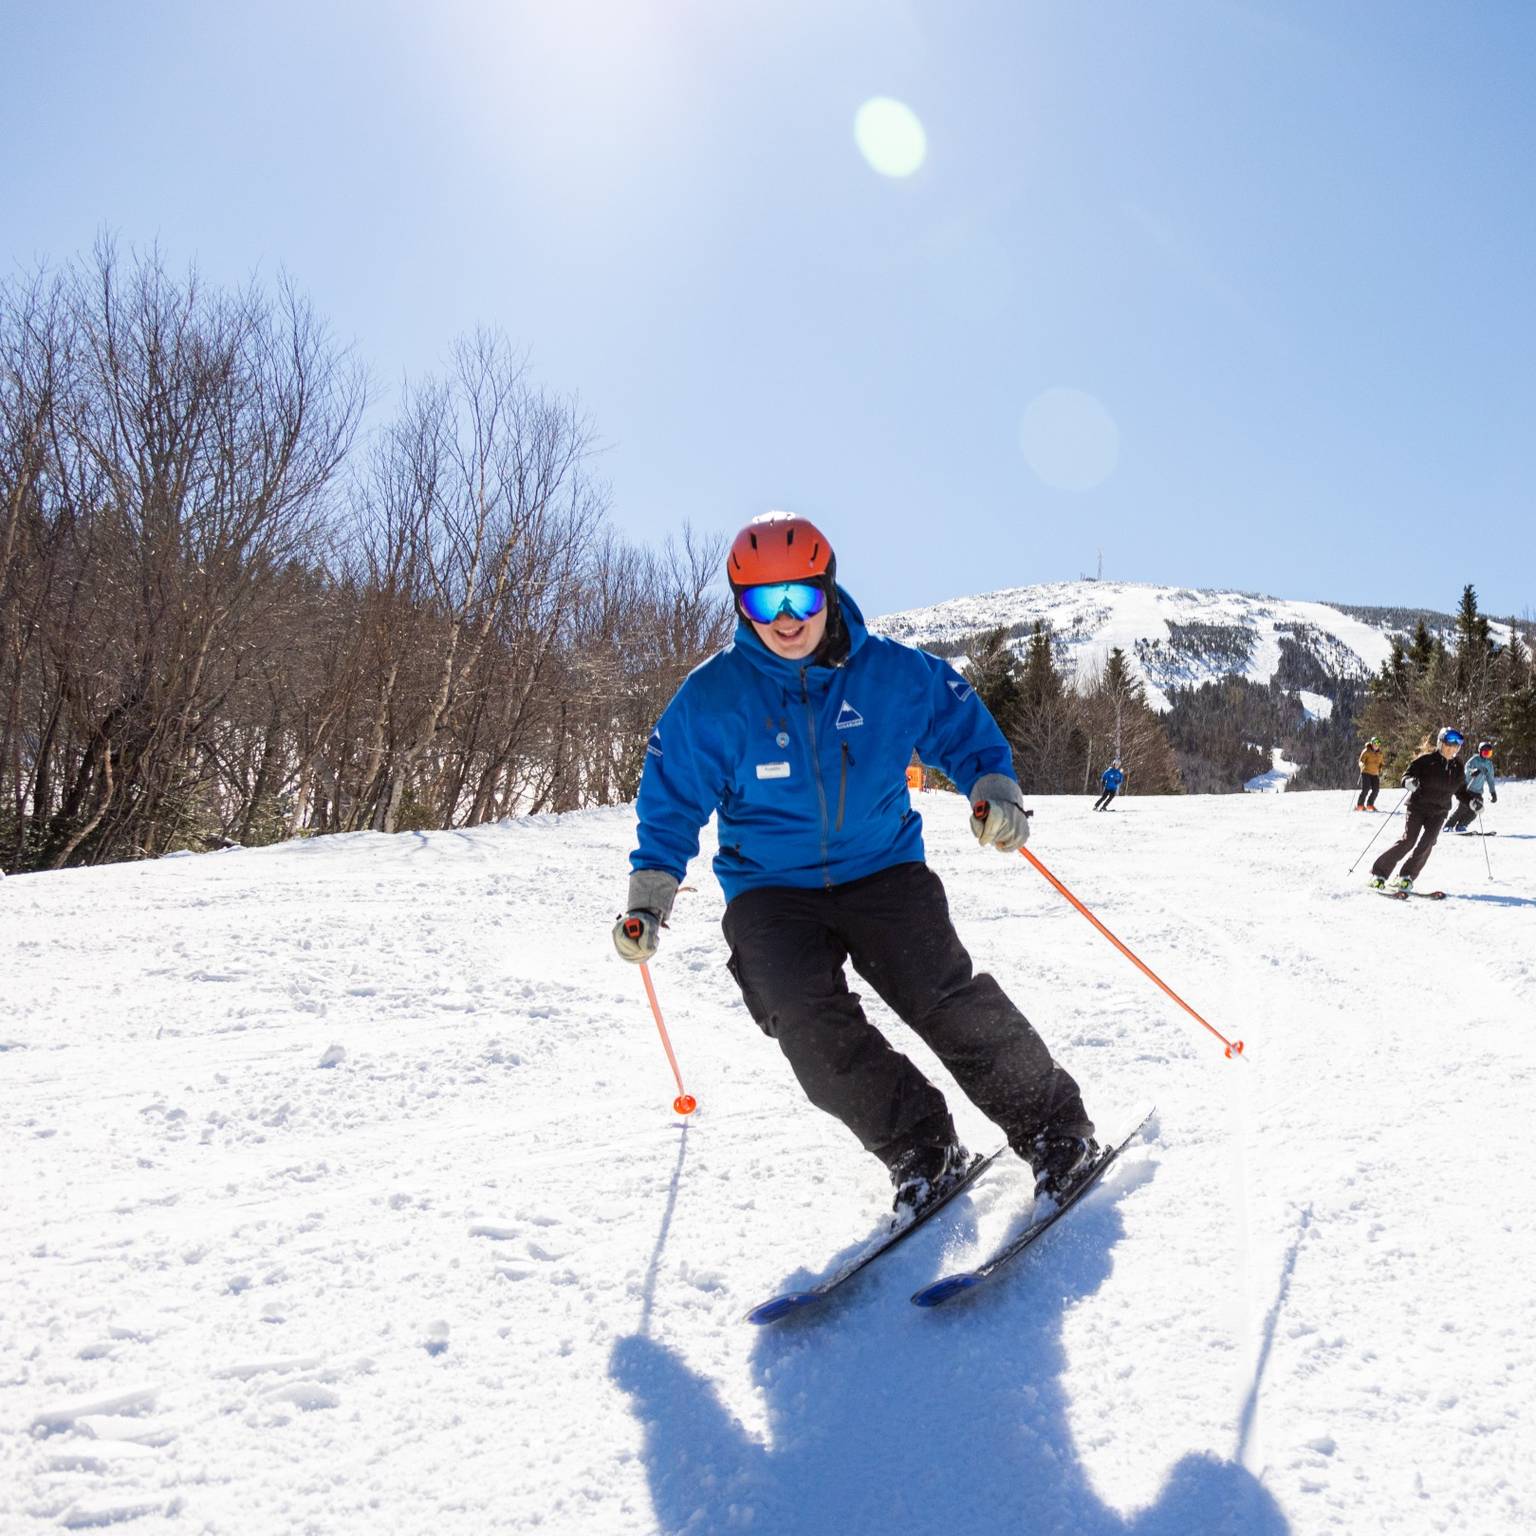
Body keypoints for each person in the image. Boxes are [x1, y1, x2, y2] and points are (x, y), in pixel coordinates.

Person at [612, 511, 1097, 1215]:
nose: (785, 619)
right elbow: (670, 805)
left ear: (828, 591)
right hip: (769, 890)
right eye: (763, 603)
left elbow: (963, 731)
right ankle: (920, 1147)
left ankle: (1057, 1133)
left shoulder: (891, 674)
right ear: (741, 607)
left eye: (800, 598)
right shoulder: (711, 701)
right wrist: (648, 901)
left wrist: (993, 791)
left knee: (942, 997)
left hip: (884, 869)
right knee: (801, 1021)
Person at [1368, 727, 1472, 892]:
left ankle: (1406, 876)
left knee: (1427, 843)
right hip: (1418, 807)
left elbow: (1461, 790)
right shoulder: (1426, 760)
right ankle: (1379, 873)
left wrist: (1472, 801)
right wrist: (1409, 782)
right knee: (1408, 841)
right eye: (1449, 743)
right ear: (1440, 743)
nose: (1452, 748)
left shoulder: (1457, 767)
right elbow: (1407, 775)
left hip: (1439, 812)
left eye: (1456, 745)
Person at [1445, 741, 1497, 833]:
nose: (1486, 755)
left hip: (1478, 791)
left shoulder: (1489, 764)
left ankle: (1462, 825)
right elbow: (1466, 769)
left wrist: (1493, 792)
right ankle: (1449, 825)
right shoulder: (1474, 760)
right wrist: (1473, 771)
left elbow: (1490, 779)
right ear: (1480, 752)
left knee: (1477, 809)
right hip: (1468, 789)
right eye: (1485, 753)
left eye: (1488, 753)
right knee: (1462, 808)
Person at [1355, 736, 1385, 811]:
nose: (1376, 745)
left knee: (1376, 790)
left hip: (1375, 773)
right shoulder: (1366, 751)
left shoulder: (1380, 753)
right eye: (1375, 743)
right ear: (1372, 744)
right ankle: (1360, 805)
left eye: (1378, 743)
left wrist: (1381, 768)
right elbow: (1361, 761)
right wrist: (1361, 765)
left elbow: (1381, 763)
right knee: (1366, 789)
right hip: (1366, 772)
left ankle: (1370, 804)